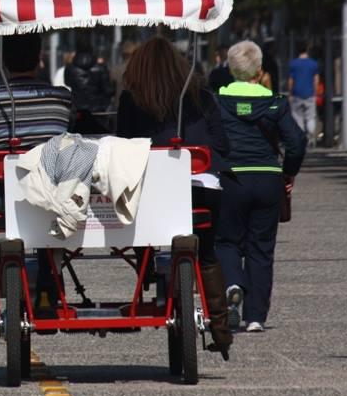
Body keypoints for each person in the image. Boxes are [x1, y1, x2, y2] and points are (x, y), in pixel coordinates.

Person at [116, 36, 234, 357]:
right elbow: (222, 146)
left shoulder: (131, 100)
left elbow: (122, 147)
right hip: (200, 189)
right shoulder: (202, 97)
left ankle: (149, 269)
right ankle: (221, 328)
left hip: (152, 190)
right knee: (207, 253)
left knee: (137, 226)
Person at [0, 34, 73, 312]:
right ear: (39, 59)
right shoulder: (61, 98)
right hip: (48, 198)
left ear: (1, 60)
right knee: (48, 208)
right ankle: (48, 288)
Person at [216, 40, 306, 333]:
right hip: (267, 177)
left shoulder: (217, 101)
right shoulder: (276, 102)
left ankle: (232, 282)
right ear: (259, 72)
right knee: (261, 248)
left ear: (231, 70)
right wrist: (288, 173)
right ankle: (255, 317)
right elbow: (296, 141)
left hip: (231, 178)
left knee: (226, 241)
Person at [65, 40, 113, 129]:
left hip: (78, 111)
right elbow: (108, 90)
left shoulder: (70, 68)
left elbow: (67, 82)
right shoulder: (100, 68)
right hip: (98, 112)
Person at [288, 42, 319, 148]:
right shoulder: (313, 64)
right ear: (307, 49)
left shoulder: (293, 64)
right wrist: (315, 92)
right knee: (310, 117)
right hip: (310, 94)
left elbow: (291, 80)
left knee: (298, 117)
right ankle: (311, 136)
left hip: (297, 94)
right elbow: (316, 80)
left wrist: (290, 93)